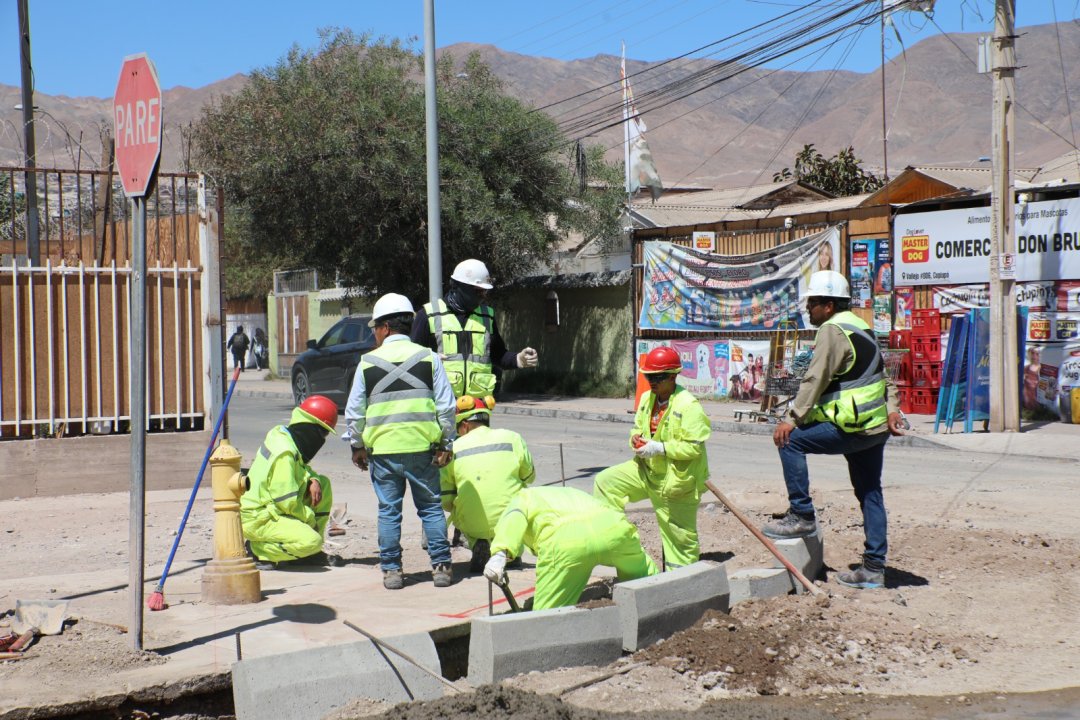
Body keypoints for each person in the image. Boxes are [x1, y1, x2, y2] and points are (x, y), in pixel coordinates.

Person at [762, 270, 906, 590]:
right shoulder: (861, 326)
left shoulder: (832, 329)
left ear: (828, 306)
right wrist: (893, 408)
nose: (808, 309)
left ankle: (801, 515)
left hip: (853, 426)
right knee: (870, 492)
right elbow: (882, 376)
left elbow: (816, 378)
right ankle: (873, 569)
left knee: (791, 442)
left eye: (812, 303)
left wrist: (792, 418)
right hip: (875, 426)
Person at [343, 293, 458, 590]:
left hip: (383, 452)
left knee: (388, 511)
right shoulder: (429, 358)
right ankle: (442, 567)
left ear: (384, 328)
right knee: (431, 508)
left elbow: (355, 412)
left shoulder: (367, 363)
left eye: (374, 329)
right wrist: (446, 443)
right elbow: (446, 406)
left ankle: (392, 571)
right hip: (423, 449)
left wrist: (356, 446)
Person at [592, 346, 711, 570]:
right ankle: (618, 541)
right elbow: (637, 428)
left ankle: (681, 582)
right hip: (647, 471)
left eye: (659, 377)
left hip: (676, 482)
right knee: (606, 482)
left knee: (680, 540)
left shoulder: (689, 406)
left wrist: (660, 448)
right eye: (649, 377)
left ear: (674, 376)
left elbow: (693, 448)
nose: (653, 381)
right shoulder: (648, 398)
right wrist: (636, 440)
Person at [483, 486, 658, 611]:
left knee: (547, 617)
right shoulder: (561, 492)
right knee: (645, 579)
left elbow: (514, 518)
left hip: (566, 542)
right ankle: (656, 606)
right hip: (613, 529)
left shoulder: (520, 499)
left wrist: (500, 553)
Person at [410, 258, 538, 398]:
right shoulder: (428, 315)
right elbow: (411, 361)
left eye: (484, 292)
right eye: (478, 291)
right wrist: (429, 360)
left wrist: (518, 359)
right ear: (457, 286)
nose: (483, 296)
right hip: (440, 406)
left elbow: (498, 355)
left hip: (477, 408)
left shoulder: (486, 316)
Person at [240, 395, 338, 570]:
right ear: (310, 427)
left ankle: (307, 555)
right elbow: (286, 501)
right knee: (311, 541)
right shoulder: (285, 453)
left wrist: (313, 479)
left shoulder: (282, 434)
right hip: (259, 517)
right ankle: (258, 550)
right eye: (323, 432)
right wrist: (309, 520)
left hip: (271, 508)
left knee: (323, 484)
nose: (323, 439)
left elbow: (300, 468)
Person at [440, 395, 536, 573]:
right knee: (522, 498)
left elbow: (445, 497)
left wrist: (455, 509)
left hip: (473, 519)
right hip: (510, 516)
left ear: (465, 425)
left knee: (459, 506)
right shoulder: (512, 438)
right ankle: (511, 550)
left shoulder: (454, 447)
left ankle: (479, 542)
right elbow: (529, 477)